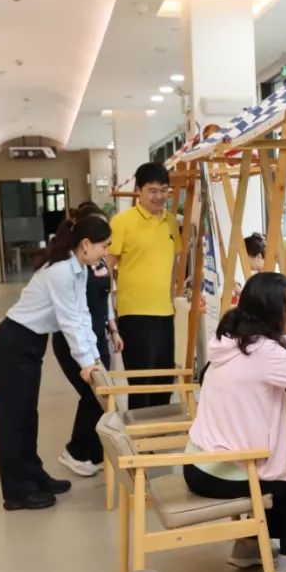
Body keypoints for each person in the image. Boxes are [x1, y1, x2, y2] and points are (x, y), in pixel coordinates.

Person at [185, 272, 286, 572]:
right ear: (274, 311)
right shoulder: (265, 354)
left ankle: (249, 546)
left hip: (200, 463)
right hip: (221, 471)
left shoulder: (232, 339)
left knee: (283, 461)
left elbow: (279, 347)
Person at [0, 216, 111, 510]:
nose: (106, 252)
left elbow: (82, 316)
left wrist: (94, 358)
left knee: (28, 414)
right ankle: (17, 492)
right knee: (14, 419)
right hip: (13, 343)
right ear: (86, 245)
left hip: (31, 343)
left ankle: (33, 474)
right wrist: (85, 364)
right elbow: (69, 322)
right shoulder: (60, 272)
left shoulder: (79, 270)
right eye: (103, 246)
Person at [53, 203, 123, 477]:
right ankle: (75, 451)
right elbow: (72, 317)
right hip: (75, 339)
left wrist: (113, 330)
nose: (105, 248)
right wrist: (85, 357)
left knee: (100, 395)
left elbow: (106, 299)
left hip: (96, 336)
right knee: (93, 393)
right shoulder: (70, 268)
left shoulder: (99, 262)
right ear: (85, 239)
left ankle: (93, 452)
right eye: (101, 241)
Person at [107, 162, 181, 409]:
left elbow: (173, 263)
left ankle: (158, 429)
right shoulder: (121, 222)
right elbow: (107, 266)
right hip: (134, 313)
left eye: (163, 190)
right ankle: (138, 431)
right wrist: (108, 310)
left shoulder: (171, 222)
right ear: (138, 190)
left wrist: (171, 298)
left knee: (164, 381)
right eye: (152, 190)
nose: (158, 196)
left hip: (164, 314)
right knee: (141, 383)